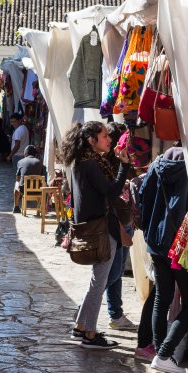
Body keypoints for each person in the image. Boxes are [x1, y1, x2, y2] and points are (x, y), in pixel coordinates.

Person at [63, 121, 132, 349]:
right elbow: (111, 191)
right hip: (101, 230)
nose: (109, 139)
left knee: (98, 280)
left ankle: (81, 326)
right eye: (104, 136)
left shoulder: (80, 163)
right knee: (99, 282)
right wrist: (123, 166)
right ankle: (90, 334)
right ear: (92, 140)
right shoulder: (91, 164)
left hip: (94, 228)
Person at [138, 144, 188, 373]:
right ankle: (164, 353)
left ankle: (161, 353)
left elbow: (142, 196)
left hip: (155, 239)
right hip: (180, 243)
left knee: (162, 297)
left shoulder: (157, 165)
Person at [99, 122, 137, 331]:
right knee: (112, 273)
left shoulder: (124, 161)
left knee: (117, 271)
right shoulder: (105, 164)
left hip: (124, 220)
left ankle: (116, 314)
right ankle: (86, 306)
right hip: (114, 223)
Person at [13, 145, 45, 213]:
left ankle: (16, 207)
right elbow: (41, 176)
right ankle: (41, 207)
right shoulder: (40, 162)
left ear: (25, 153)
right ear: (34, 154)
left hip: (24, 190)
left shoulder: (20, 162)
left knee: (16, 183)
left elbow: (17, 178)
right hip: (38, 190)